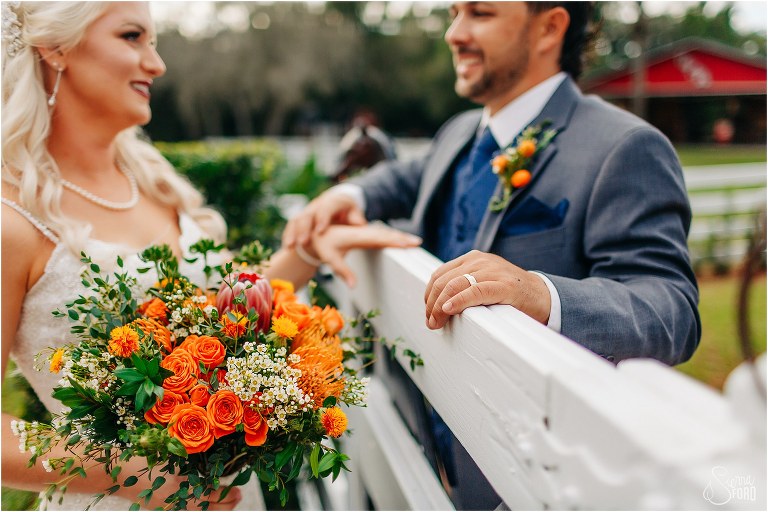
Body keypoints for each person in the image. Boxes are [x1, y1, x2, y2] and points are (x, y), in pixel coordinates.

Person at [0, 2, 420, 511]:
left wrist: (307, 248)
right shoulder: (12, 216)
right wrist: (140, 476)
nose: (156, 64)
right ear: (54, 47)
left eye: (153, 41)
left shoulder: (151, 181)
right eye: (132, 37)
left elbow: (214, 315)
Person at [283, 2, 701, 509]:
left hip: (528, 482)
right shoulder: (460, 133)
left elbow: (670, 308)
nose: (454, 34)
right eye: (454, 12)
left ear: (549, 28)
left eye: (479, 13)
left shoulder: (625, 146)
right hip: (429, 448)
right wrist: (350, 197)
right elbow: (406, 179)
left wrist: (537, 293)